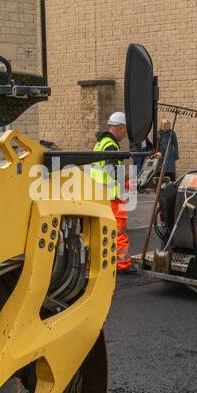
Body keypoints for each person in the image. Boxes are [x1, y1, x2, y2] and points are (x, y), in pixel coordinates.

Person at [90, 111, 133, 272]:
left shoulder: (100, 142)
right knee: (119, 229)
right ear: (120, 128)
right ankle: (122, 264)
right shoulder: (111, 145)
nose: (125, 134)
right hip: (111, 195)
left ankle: (102, 262)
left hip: (99, 193)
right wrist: (125, 182)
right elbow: (111, 169)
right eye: (125, 130)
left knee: (102, 230)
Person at [154, 117, 179, 183]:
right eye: (165, 124)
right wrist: (155, 154)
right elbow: (156, 145)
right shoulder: (159, 133)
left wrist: (176, 155)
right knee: (160, 168)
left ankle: (171, 182)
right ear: (162, 125)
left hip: (170, 154)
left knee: (170, 169)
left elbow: (175, 144)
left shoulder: (172, 133)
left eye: (168, 124)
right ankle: (160, 183)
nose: (167, 125)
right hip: (161, 154)